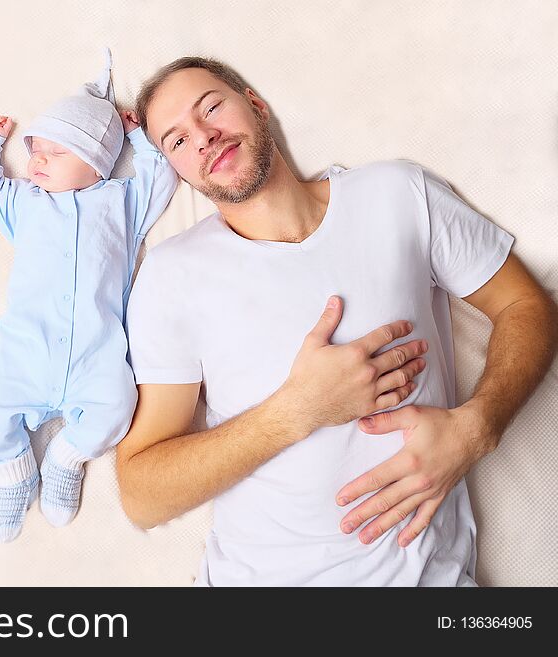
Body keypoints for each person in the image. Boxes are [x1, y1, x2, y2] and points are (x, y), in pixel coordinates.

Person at [117, 56, 558, 585]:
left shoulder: (398, 194)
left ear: (255, 105)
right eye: (178, 141)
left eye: (211, 107)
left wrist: (477, 427)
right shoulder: (172, 275)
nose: (205, 138)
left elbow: (526, 306)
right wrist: (298, 411)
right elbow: (142, 495)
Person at [0, 49, 178, 543]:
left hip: (96, 356)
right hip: (25, 352)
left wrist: (139, 136)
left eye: (54, 152)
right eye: (35, 150)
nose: (36, 160)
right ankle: (14, 475)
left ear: (98, 163)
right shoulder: (26, 203)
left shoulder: (120, 201)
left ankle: (66, 458)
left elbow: (160, 176)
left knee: (118, 406)